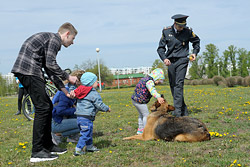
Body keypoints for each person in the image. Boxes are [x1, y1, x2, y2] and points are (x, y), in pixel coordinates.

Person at [11, 22, 78, 162]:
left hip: (30, 71)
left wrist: (65, 91)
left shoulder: (50, 40)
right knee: (43, 108)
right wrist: (68, 77)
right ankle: (37, 151)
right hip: (29, 71)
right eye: (72, 39)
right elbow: (51, 65)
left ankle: (48, 146)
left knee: (47, 107)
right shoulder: (54, 40)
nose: (72, 43)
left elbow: (50, 70)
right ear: (67, 34)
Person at [157, 14, 200, 117]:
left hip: (182, 60)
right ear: (175, 24)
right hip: (171, 61)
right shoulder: (166, 31)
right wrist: (164, 58)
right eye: (180, 26)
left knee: (178, 85)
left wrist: (194, 52)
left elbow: (196, 42)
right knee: (173, 86)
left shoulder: (188, 31)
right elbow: (160, 48)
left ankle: (177, 113)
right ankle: (183, 111)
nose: (182, 28)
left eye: (183, 26)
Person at [71, 72, 111, 156]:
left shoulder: (80, 90)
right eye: (96, 81)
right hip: (86, 117)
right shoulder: (93, 93)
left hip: (79, 117)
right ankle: (78, 149)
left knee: (87, 132)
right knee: (85, 133)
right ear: (91, 83)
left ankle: (89, 147)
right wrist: (107, 108)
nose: (97, 82)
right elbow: (99, 105)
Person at [51, 70, 85, 145]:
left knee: (83, 118)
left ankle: (70, 137)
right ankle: (56, 134)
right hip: (56, 122)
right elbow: (60, 111)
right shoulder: (66, 92)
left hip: (60, 119)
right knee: (85, 122)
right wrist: (77, 109)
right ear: (78, 81)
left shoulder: (72, 89)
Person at [131, 68, 165, 134]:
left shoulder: (145, 79)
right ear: (156, 77)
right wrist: (158, 97)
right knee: (146, 115)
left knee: (141, 114)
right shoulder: (149, 82)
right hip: (140, 101)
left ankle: (140, 130)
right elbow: (152, 90)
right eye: (159, 81)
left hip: (135, 100)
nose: (159, 83)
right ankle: (146, 131)